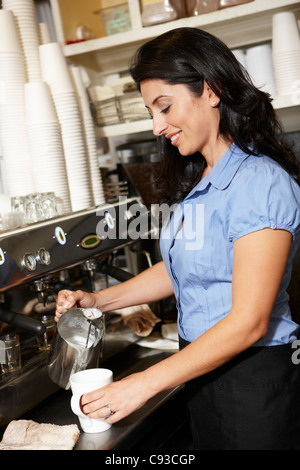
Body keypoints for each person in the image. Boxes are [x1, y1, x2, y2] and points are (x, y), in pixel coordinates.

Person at [55, 27, 300, 450]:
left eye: (164, 107)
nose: (156, 126)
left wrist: (141, 385)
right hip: (202, 367)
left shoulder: (260, 183)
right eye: (151, 111)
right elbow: (180, 270)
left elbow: (250, 322)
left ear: (211, 89)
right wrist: (99, 301)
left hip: (253, 379)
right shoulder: (202, 181)